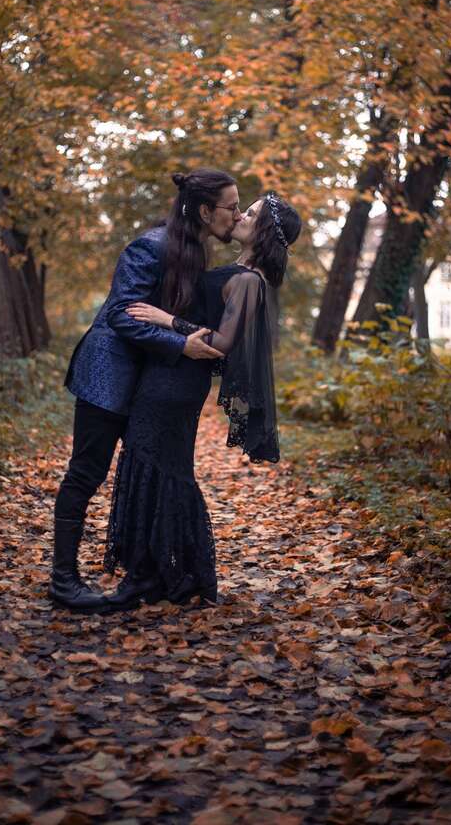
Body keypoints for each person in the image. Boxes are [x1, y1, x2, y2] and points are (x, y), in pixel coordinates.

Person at [49, 169, 241, 613]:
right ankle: (63, 582)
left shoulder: (194, 251)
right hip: (107, 377)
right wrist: (181, 344)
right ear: (204, 210)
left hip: (144, 384)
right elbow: (122, 314)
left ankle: (150, 575)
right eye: (230, 207)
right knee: (85, 474)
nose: (235, 215)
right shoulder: (151, 246)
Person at [101, 191, 302, 610]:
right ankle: (162, 572)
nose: (242, 216)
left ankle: (158, 575)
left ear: (263, 230)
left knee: (157, 465)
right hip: (170, 373)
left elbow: (225, 342)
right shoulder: (236, 271)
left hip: (177, 384)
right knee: (153, 464)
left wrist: (167, 320)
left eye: (251, 214)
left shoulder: (249, 281)